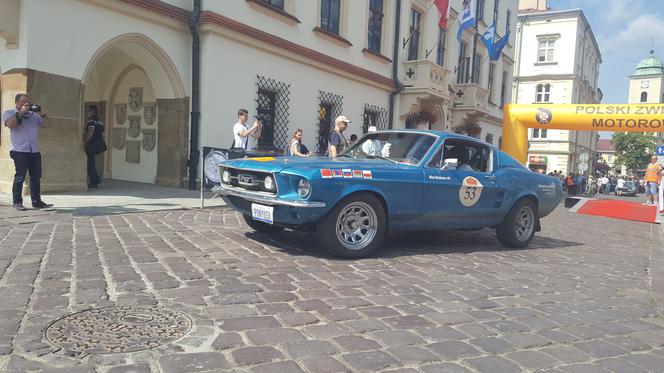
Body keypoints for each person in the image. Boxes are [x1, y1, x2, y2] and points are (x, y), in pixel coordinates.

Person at [2, 93, 54, 211]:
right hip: (19, 150)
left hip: (34, 150)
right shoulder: (9, 113)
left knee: (36, 177)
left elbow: (49, 125)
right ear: (17, 103)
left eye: (28, 103)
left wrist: (42, 113)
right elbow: (10, 124)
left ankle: (37, 202)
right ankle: (17, 202)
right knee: (20, 177)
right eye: (23, 103)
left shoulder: (34, 116)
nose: (27, 105)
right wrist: (21, 112)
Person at [83, 105, 105, 188]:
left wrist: (85, 142)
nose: (87, 113)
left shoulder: (91, 121)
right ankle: (96, 179)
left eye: (88, 111)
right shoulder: (100, 122)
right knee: (91, 162)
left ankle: (94, 181)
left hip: (91, 144)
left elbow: (90, 132)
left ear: (93, 112)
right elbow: (103, 135)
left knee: (89, 164)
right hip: (97, 144)